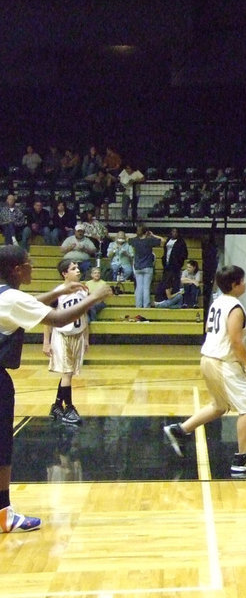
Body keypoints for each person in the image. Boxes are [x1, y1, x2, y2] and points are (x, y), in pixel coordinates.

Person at [0, 244, 111, 533]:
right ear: (17, 270)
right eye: (28, 263)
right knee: (3, 447)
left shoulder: (6, 295)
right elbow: (59, 318)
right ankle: (4, 513)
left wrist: (58, 293)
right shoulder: (12, 298)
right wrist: (96, 297)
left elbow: (26, 303)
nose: (32, 267)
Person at [163, 265, 246, 476]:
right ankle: (244, 458)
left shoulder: (217, 302)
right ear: (234, 284)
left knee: (220, 406)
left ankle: (180, 430)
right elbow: (236, 342)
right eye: (243, 281)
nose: (245, 284)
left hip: (208, 359)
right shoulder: (235, 308)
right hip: (224, 362)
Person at [42, 260, 91, 425]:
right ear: (64, 273)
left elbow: (84, 317)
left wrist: (86, 338)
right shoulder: (57, 293)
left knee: (68, 374)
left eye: (77, 268)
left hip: (77, 335)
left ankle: (56, 405)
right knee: (67, 372)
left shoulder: (83, 291)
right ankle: (69, 408)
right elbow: (48, 318)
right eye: (73, 268)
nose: (78, 271)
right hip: (62, 335)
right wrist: (46, 342)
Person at [128, 224, 165, 308]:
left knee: (139, 287)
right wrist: (152, 235)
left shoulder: (135, 240)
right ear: (146, 232)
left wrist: (137, 234)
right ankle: (146, 306)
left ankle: (138, 306)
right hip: (147, 266)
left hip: (138, 266)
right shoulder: (149, 240)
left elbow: (127, 239)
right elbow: (163, 240)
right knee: (146, 288)